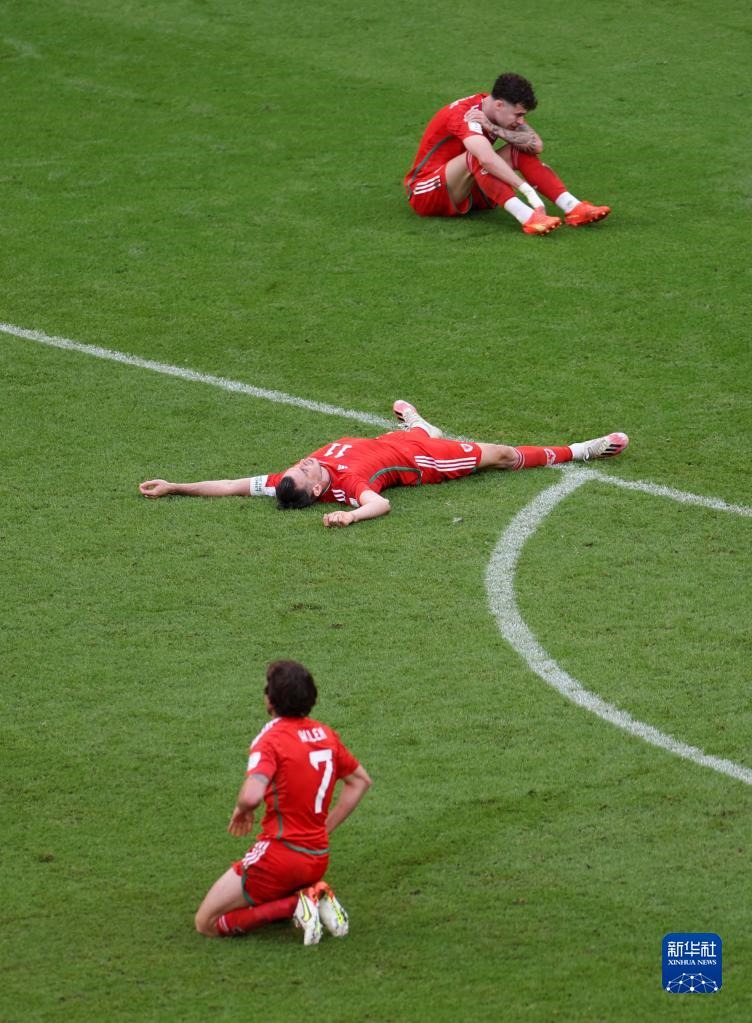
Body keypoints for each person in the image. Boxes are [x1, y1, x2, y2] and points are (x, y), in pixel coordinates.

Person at [139, 400, 629, 528]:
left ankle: (419, 424)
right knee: (500, 455)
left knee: (411, 431)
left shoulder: (285, 480)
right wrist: (349, 516)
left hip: (392, 441)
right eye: (307, 472)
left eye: (299, 466)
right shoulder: (346, 485)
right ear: (316, 493)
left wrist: (176, 486)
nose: (306, 463)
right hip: (424, 460)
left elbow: (229, 485)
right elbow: (379, 505)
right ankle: (582, 449)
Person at [194, 660, 371, 945]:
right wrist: (323, 829)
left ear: (271, 699)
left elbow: (252, 795)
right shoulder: (326, 735)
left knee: (206, 922)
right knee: (259, 900)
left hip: (279, 858)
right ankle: (308, 895)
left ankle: (297, 904)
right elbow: (361, 781)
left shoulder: (271, 739)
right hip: (317, 857)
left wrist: (242, 808)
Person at [404, 72, 611, 235]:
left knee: (518, 149)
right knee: (477, 156)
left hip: (469, 188)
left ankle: (573, 207)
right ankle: (528, 218)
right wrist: (528, 191)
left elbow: (536, 145)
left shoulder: (497, 111)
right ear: (499, 105)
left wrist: (493, 128)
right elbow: (485, 158)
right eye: (518, 115)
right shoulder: (465, 115)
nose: (520, 121)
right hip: (427, 193)